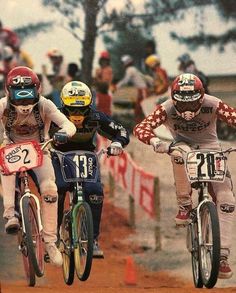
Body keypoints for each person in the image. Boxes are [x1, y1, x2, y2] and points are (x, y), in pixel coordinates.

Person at [133, 73, 236, 279]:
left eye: (192, 104)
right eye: (182, 105)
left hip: (211, 149)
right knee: (178, 153)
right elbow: (141, 127)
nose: (187, 111)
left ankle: (222, 255)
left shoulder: (214, 103)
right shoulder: (166, 107)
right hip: (183, 147)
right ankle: (184, 204)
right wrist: (156, 142)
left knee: (227, 199)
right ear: (174, 98)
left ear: (201, 97)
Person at [0, 66, 76, 266]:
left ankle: (50, 241)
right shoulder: (2, 106)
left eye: (28, 97)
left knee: (50, 188)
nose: (24, 103)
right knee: (5, 167)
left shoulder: (45, 105)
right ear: (9, 93)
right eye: (19, 98)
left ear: (38, 91)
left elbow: (69, 124)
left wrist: (64, 133)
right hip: (12, 149)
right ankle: (10, 214)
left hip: (40, 150)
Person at [51, 80, 130, 258]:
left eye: (82, 109)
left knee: (95, 192)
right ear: (64, 106)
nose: (77, 114)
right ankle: (53, 236)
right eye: (72, 109)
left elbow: (121, 131)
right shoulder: (53, 115)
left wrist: (117, 142)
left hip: (87, 156)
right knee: (57, 189)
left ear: (89, 106)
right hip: (59, 156)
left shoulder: (96, 117)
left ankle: (92, 240)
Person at [114, 55, 147, 124]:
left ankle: (141, 126)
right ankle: (140, 125)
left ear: (126, 63)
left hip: (142, 90)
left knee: (141, 109)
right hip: (140, 90)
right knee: (139, 109)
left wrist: (117, 86)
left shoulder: (130, 70)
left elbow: (125, 80)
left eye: (123, 63)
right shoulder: (133, 69)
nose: (123, 65)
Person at [94, 51, 113, 115]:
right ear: (100, 61)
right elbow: (96, 81)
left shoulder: (109, 70)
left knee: (107, 107)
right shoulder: (98, 70)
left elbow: (106, 81)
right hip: (99, 90)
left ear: (108, 61)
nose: (104, 62)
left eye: (105, 60)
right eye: (102, 60)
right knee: (98, 106)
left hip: (107, 90)